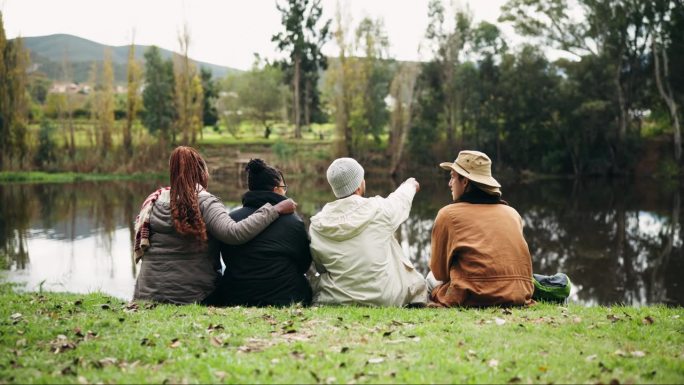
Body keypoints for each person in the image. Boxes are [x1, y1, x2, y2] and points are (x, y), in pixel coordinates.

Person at [132, 146, 296, 305]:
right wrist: (275, 209)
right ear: (202, 173)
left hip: (147, 294)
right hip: (192, 297)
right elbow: (233, 234)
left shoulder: (154, 201)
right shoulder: (204, 202)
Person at [308, 157, 428, 306]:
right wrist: (410, 185)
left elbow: (320, 267)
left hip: (336, 297)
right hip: (385, 298)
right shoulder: (379, 209)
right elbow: (399, 201)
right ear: (359, 185)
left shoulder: (317, 225)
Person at [428, 150, 534, 307]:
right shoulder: (513, 214)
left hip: (472, 296)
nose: (450, 184)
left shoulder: (447, 215)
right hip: (518, 294)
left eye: (452, 177)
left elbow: (439, 272)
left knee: (429, 279)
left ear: (465, 182)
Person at [210, 159, 312, 306]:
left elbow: (226, 260)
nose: (285, 191)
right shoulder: (294, 222)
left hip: (236, 297)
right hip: (286, 297)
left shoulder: (231, 220)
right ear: (277, 189)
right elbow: (304, 264)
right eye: (284, 187)